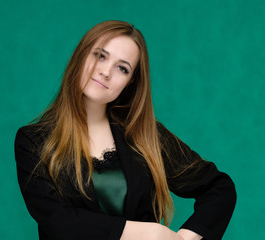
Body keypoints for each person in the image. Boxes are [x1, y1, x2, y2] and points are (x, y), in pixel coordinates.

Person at [14, 20, 236, 240]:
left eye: (122, 68)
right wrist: (149, 233)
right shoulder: (33, 141)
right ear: (81, 55)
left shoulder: (144, 135)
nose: (106, 72)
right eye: (100, 55)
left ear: (130, 82)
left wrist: (186, 238)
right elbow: (58, 223)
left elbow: (219, 189)